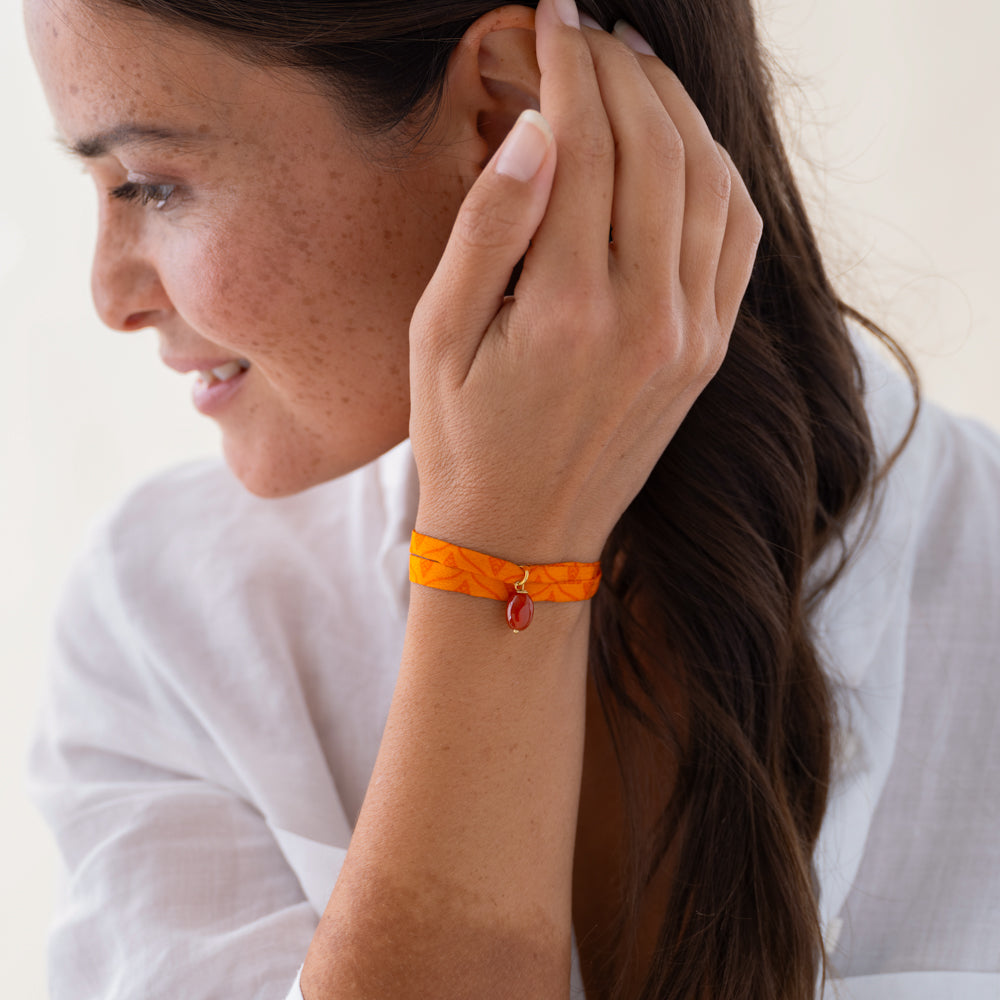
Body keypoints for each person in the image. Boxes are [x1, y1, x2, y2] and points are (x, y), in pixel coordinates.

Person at [23, 0, 1000, 996]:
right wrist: (502, 543)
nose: (110, 294)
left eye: (151, 183)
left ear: (503, 114)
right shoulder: (169, 628)